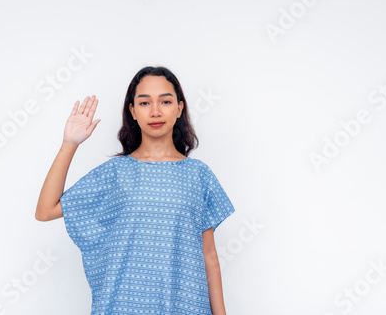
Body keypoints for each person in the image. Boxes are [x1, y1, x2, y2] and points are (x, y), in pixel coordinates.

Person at [35, 66, 236, 315]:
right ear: (132, 111)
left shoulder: (199, 175)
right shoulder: (115, 172)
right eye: (144, 102)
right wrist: (69, 145)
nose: (155, 111)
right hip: (122, 306)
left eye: (165, 101)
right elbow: (45, 210)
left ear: (179, 108)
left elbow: (209, 256)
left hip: (187, 307)